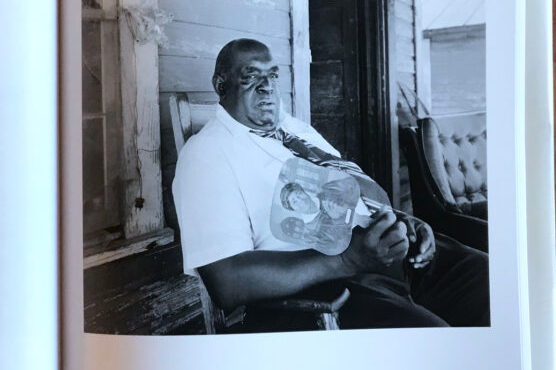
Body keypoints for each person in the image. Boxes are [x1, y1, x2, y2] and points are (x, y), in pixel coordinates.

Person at [171, 38, 490, 330]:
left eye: (272, 75)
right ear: (221, 85)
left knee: (491, 280)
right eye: (251, 76)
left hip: (390, 258)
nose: (267, 86)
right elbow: (227, 283)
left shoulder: (294, 130)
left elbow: (353, 190)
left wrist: (398, 221)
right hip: (326, 287)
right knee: (432, 339)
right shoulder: (207, 155)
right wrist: (347, 259)